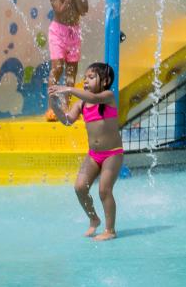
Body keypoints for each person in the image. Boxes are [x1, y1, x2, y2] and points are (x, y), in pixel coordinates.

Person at [49, 62, 122, 241]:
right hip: (93, 155)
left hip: (112, 153)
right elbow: (67, 121)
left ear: (105, 81)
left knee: (104, 190)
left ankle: (110, 230)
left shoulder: (108, 96)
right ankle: (94, 219)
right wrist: (54, 104)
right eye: (85, 78)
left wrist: (69, 89)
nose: (86, 81)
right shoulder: (82, 104)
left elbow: (94, 99)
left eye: (91, 77)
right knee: (80, 187)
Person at [46, 0, 89, 121]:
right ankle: (52, 107)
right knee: (57, 68)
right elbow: (60, 11)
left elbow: (83, 10)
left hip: (74, 32)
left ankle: (66, 107)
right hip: (58, 32)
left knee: (71, 71)